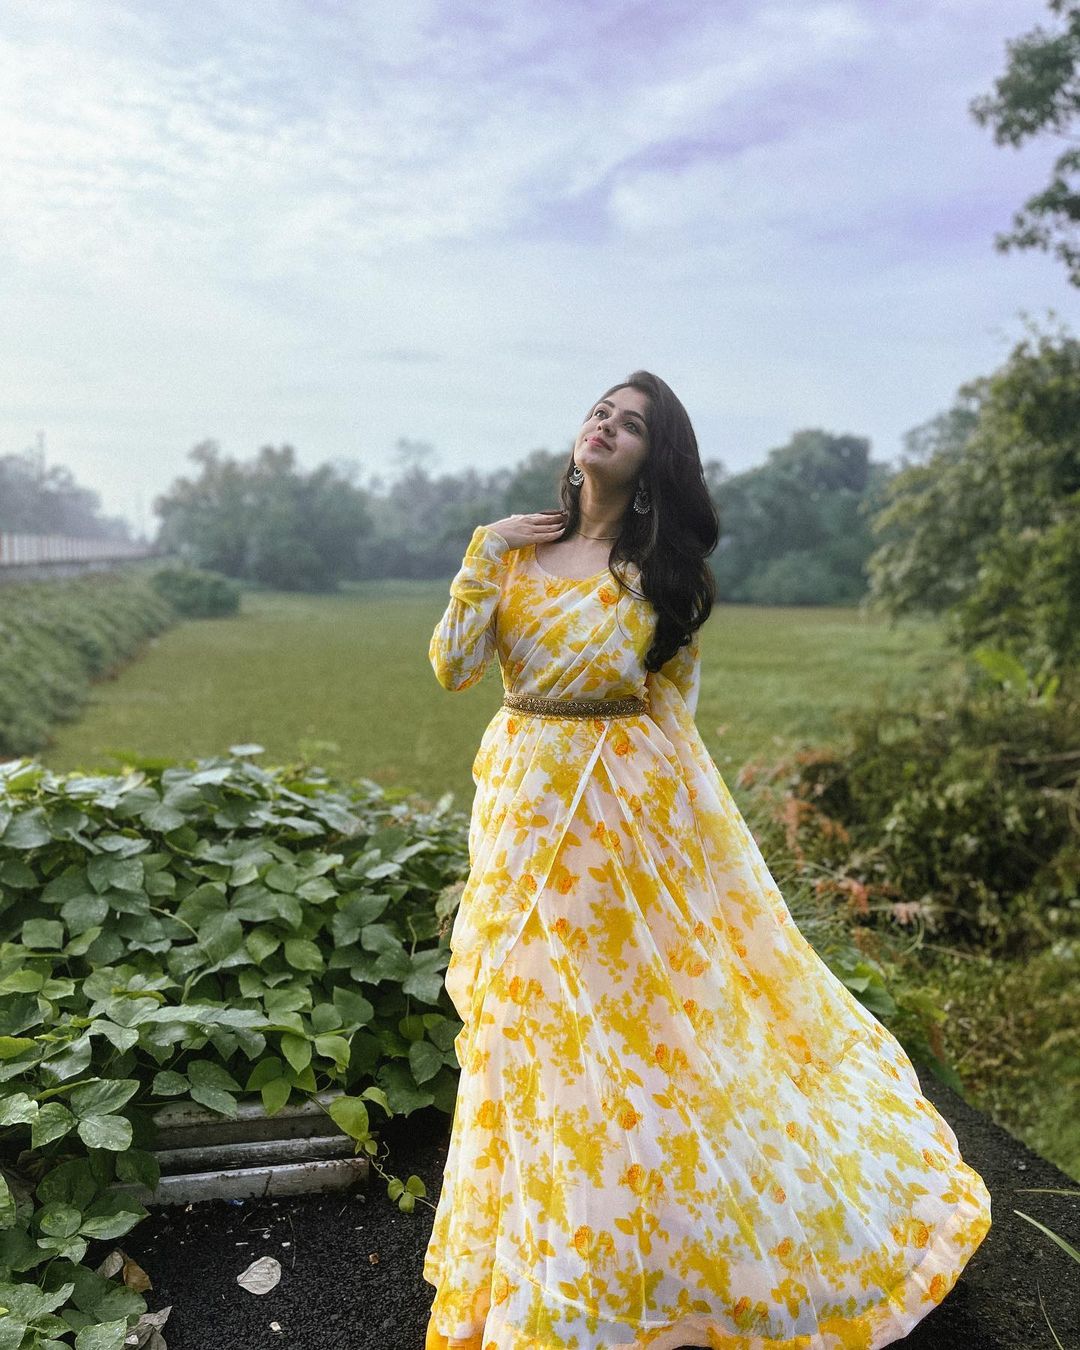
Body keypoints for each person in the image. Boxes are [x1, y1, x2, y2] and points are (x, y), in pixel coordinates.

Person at [422, 371, 992, 1350]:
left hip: (621, 841)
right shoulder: (513, 554)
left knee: (636, 1038)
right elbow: (452, 667)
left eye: (632, 422)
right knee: (532, 1032)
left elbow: (668, 719)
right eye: (600, 409)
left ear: (653, 464)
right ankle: (553, 1265)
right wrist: (480, 556)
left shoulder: (661, 581)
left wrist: (693, 855)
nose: (606, 423)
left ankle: (666, 1254)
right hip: (520, 815)